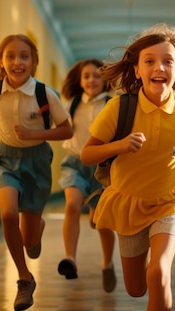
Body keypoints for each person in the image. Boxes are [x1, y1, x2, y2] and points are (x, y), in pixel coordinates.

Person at [80, 23, 175, 311]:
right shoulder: (119, 109)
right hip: (128, 202)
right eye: (149, 61)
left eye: (167, 61)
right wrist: (120, 146)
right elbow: (88, 155)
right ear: (137, 70)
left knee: (159, 272)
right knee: (136, 289)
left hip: (170, 200)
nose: (158, 67)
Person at [0, 34, 73, 311]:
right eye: (10, 56)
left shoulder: (44, 94)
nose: (17, 61)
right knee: (8, 213)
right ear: (1, 61)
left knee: (31, 242)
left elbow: (67, 129)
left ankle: (35, 230)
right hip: (4, 160)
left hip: (37, 163)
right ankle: (24, 279)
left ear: (34, 61)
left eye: (24, 56)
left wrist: (37, 133)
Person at [57, 58, 117, 292]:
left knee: (101, 220)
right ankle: (70, 259)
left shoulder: (113, 105)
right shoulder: (69, 106)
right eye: (87, 76)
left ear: (106, 80)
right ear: (79, 80)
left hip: (103, 169)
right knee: (72, 205)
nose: (92, 80)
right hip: (74, 163)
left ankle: (107, 263)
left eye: (97, 75)